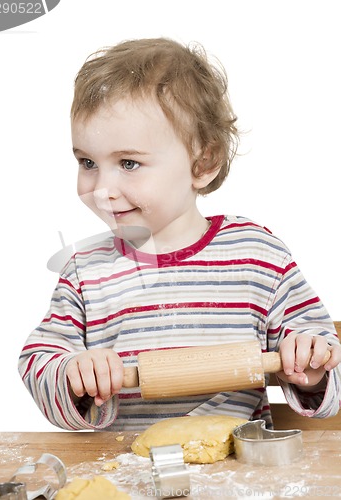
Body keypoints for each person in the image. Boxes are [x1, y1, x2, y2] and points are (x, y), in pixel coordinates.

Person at [18, 37, 341, 432]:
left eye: (129, 163)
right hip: (127, 475)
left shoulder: (257, 256)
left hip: (238, 475)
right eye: (88, 162)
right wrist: (72, 371)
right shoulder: (86, 272)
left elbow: (324, 354)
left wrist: (311, 367)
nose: (102, 188)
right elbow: (38, 359)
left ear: (203, 163)